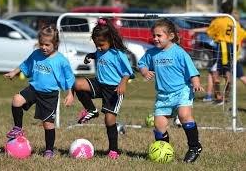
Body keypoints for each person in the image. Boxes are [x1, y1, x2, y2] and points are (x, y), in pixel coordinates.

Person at [4, 25, 75, 158]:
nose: (43, 47)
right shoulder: (36, 54)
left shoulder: (61, 61)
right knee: (16, 99)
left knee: (47, 124)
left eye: (47, 45)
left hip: (49, 95)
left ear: (56, 44)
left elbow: (69, 77)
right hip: (34, 89)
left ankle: (49, 150)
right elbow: (26, 63)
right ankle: (18, 129)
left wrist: (70, 93)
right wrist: (14, 72)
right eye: (41, 44)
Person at [138, 18, 204, 163]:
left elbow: (191, 70)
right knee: (159, 125)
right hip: (163, 95)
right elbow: (142, 63)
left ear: (171, 36)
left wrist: (196, 82)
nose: (155, 38)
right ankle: (164, 151)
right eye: (154, 35)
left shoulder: (179, 52)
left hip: (182, 91)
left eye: (159, 36)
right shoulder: (152, 53)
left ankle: (194, 147)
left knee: (184, 115)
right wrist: (144, 72)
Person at [74, 18, 134, 159]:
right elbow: (100, 54)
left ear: (111, 40)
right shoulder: (100, 50)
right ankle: (91, 110)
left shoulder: (118, 54)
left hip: (114, 89)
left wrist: (123, 83)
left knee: (109, 120)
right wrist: (91, 55)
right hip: (99, 84)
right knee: (77, 84)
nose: (99, 48)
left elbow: (128, 72)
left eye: (101, 45)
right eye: (96, 45)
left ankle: (113, 150)